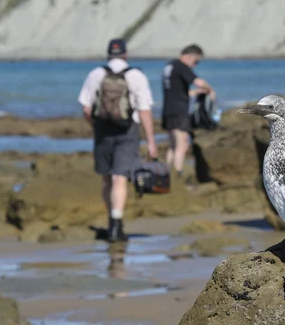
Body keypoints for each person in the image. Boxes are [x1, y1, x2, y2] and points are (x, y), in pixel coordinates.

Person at [78, 38, 158, 242]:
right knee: (120, 178)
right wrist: (151, 141)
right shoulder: (136, 76)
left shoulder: (96, 74)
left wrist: (95, 126)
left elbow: (86, 108)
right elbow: (145, 111)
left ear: (108, 54)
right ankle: (116, 224)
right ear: (125, 55)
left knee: (106, 177)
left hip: (102, 130)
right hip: (127, 131)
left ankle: (110, 220)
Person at [161, 44, 216, 177]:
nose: (195, 65)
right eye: (196, 61)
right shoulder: (181, 66)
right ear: (191, 56)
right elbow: (199, 82)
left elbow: (176, 91)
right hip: (179, 111)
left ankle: (166, 173)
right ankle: (177, 175)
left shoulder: (169, 66)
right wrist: (210, 90)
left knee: (173, 145)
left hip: (168, 110)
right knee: (183, 144)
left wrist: (196, 93)